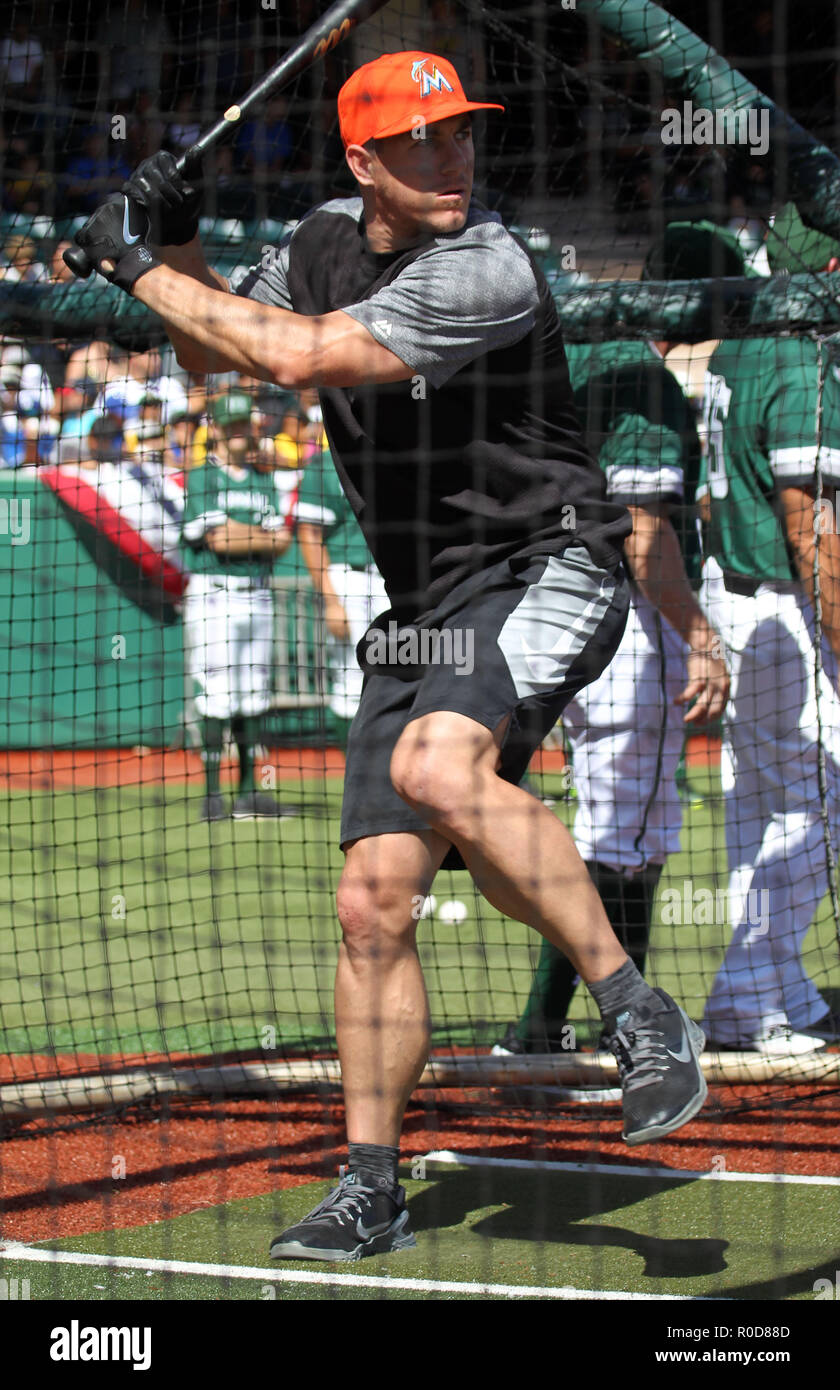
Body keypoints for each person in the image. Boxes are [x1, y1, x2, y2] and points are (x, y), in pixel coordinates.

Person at [71, 50, 710, 1262]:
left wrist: (134, 261)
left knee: (434, 764)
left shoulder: (488, 262)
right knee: (372, 903)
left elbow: (302, 360)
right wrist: (185, 244)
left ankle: (637, 1012)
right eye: (426, 141)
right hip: (424, 600)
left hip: (543, 561)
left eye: (464, 135)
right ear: (363, 160)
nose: (457, 157)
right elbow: (219, 353)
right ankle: (372, 1185)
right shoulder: (319, 237)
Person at [494, 239, 730, 1056]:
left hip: (541, 612)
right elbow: (643, 531)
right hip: (623, 622)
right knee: (626, 837)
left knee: (611, 825)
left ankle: (566, 1021)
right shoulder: (643, 376)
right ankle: (591, 1024)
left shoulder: (563, 350)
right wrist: (700, 636)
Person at [692, 206, 840, 1053]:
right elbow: (805, 525)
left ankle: (772, 985)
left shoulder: (741, 346)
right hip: (782, 603)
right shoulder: (802, 357)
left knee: (763, 800)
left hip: (735, 592)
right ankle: (750, 993)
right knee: (818, 797)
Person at [178, 390, 299, 821]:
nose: (237, 433)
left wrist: (245, 535)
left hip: (258, 595)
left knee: (254, 694)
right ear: (216, 430)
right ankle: (212, 795)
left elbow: (283, 543)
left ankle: (249, 792)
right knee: (216, 694)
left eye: (242, 425)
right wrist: (257, 538)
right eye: (229, 427)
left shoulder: (264, 480)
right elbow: (219, 540)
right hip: (214, 593)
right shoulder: (201, 477)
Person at [294, 442, 389, 745]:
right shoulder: (323, 464)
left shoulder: (394, 453)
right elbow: (309, 533)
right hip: (350, 578)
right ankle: (358, 781)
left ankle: (389, 780)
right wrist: (332, 602)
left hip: (393, 579)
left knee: (405, 674)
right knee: (351, 677)